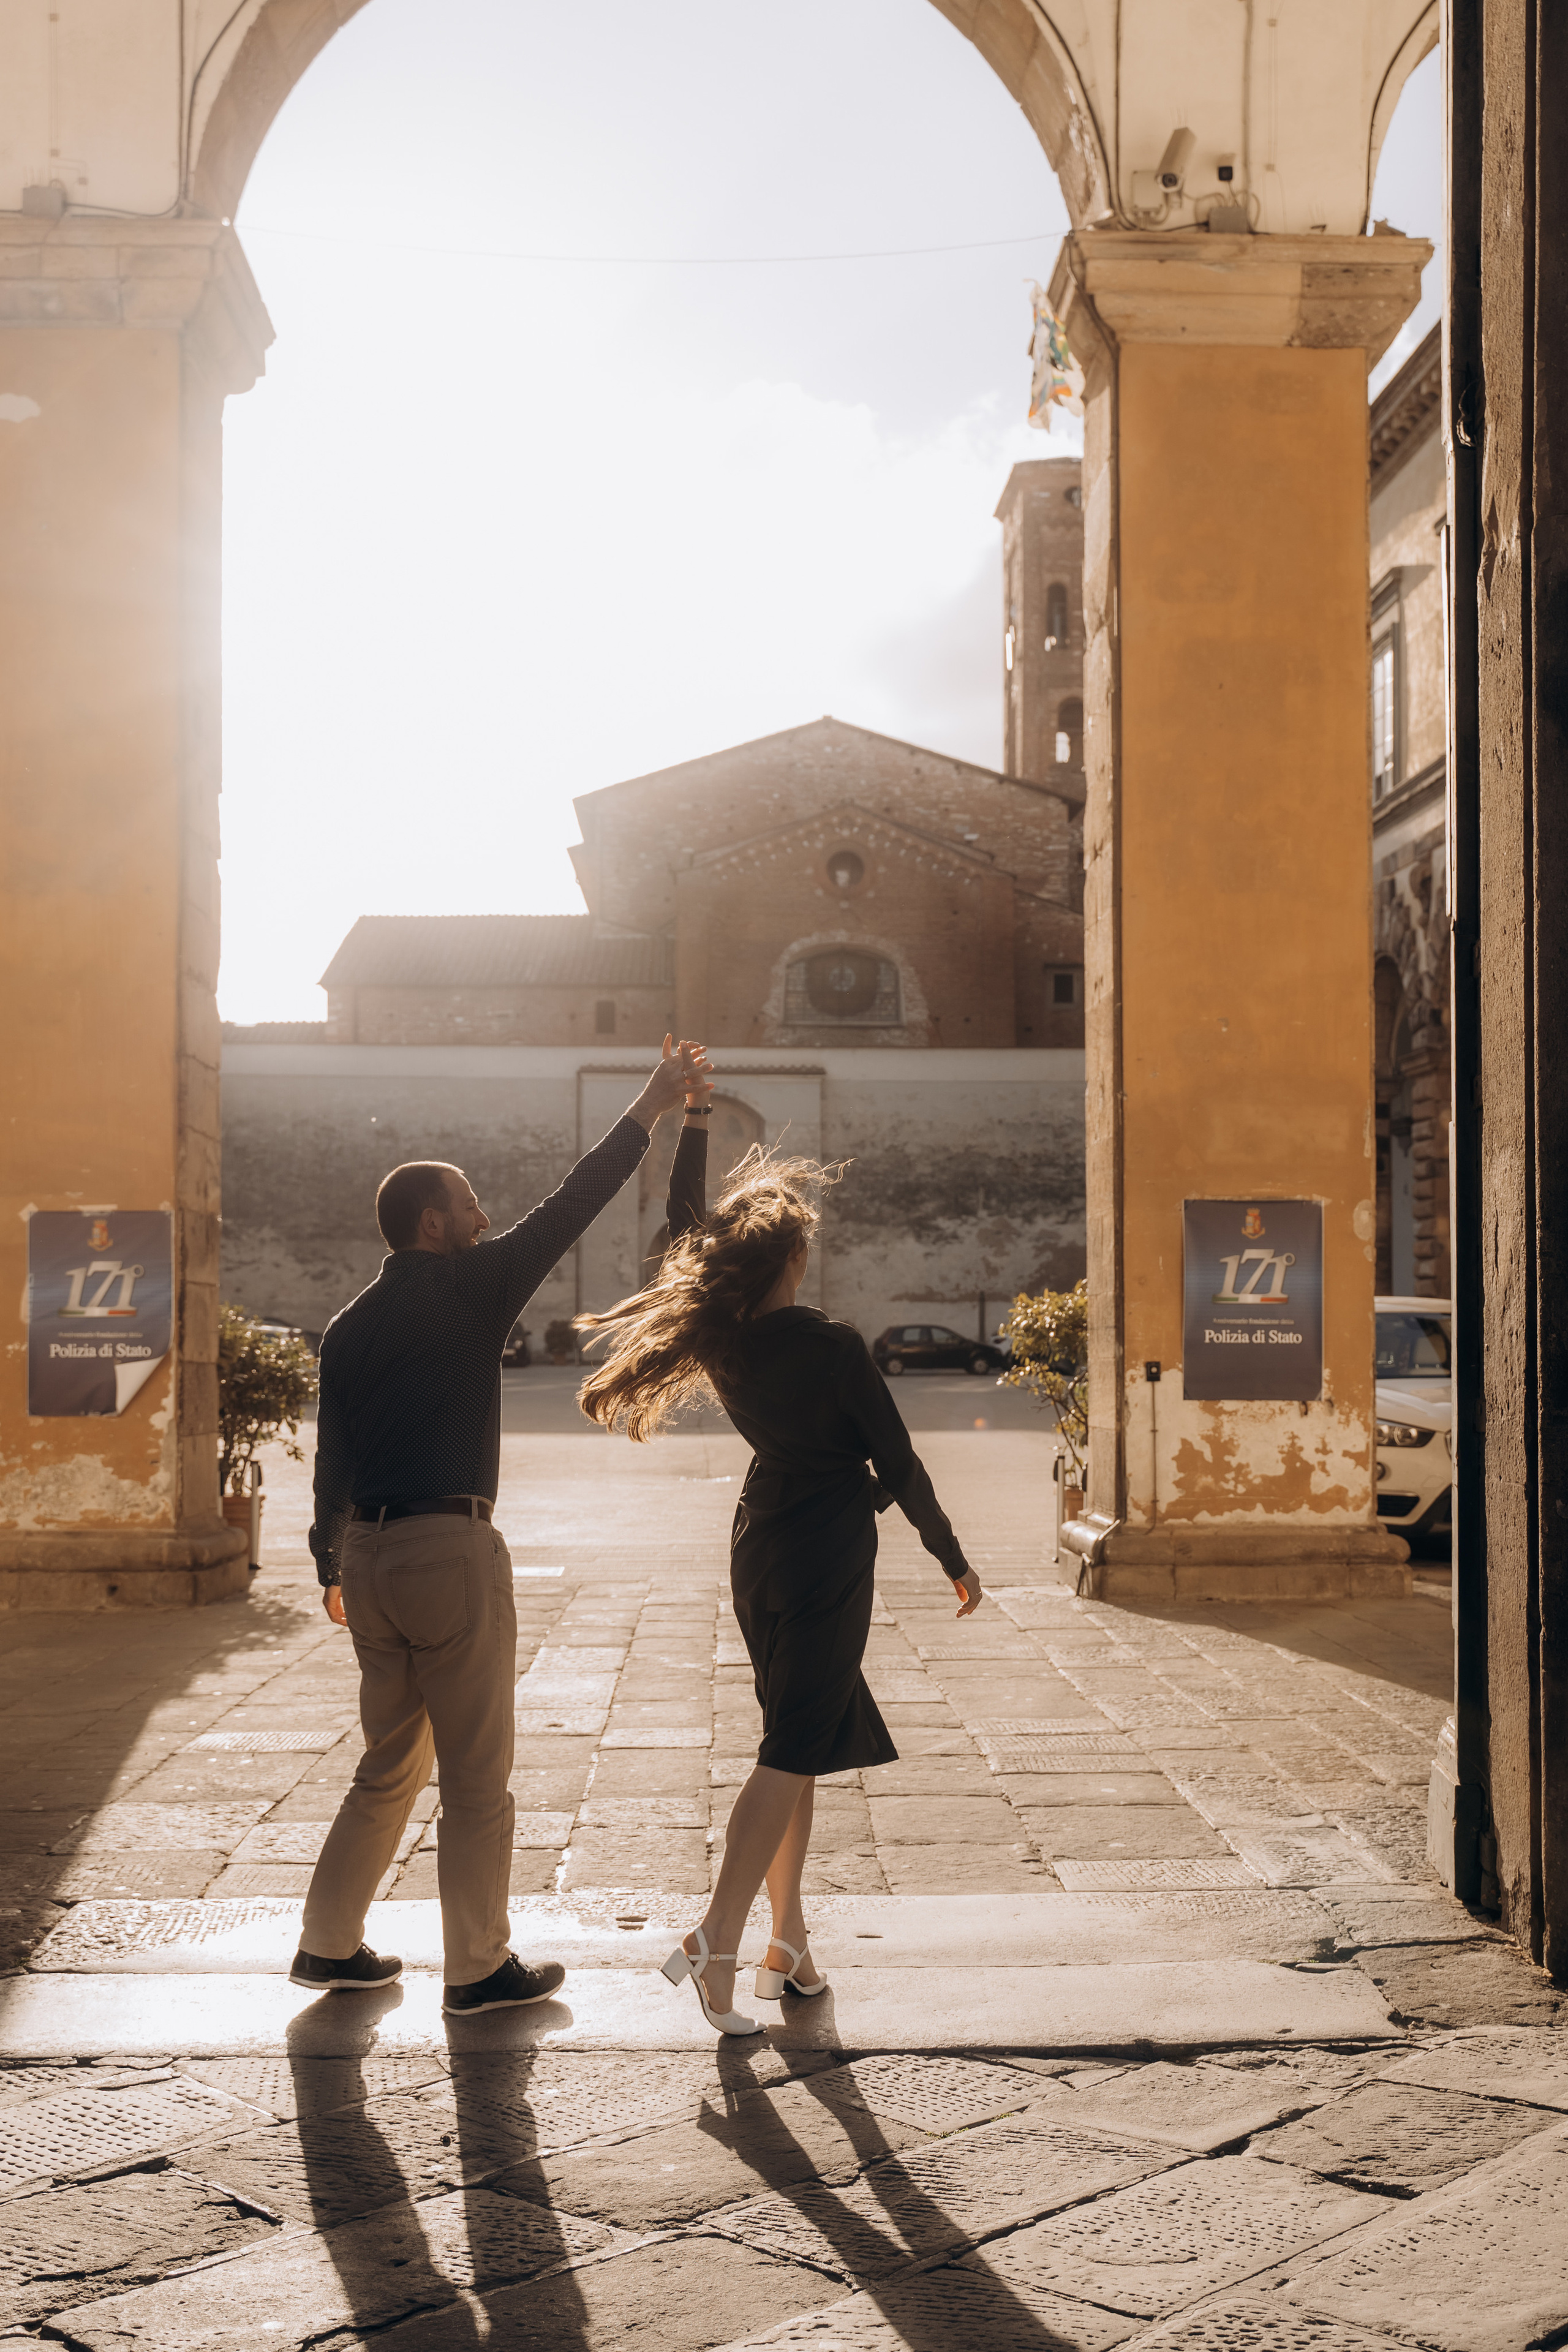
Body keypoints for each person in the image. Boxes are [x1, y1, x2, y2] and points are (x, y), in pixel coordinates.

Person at [292, 1038, 706, 2015]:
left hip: (370, 1554)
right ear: (436, 1223)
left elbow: (333, 1456)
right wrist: (651, 1105)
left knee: (389, 1762)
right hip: (448, 1548)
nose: (486, 1217)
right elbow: (576, 1201)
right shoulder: (474, 1287)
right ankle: (478, 1967)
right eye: (472, 1204)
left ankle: (329, 1942)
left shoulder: (348, 1325)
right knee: (478, 1773)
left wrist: (330, 1562)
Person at [576, 1068, 982, 2035]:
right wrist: (952, 1556)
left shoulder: (723, 1335)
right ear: (795, 1254)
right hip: (827, 1552)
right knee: (791, 1748)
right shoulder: (834, 1345)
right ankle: (716, 1942)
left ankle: (787, 1944)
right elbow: (902, 1462)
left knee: (796, 1744)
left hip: (761, 1542)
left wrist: (697, 1122)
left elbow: (683, 1229)